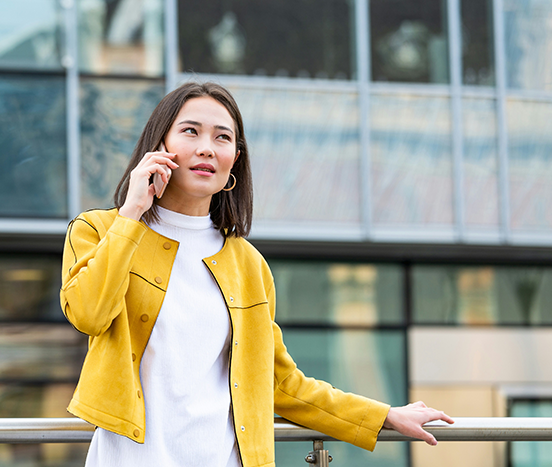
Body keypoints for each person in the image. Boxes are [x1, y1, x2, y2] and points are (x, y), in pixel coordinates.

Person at [60, 82, 454, 467]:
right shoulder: (98, 229)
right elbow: (88, 314)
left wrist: (383, 416)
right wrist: (131, 213)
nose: (205, 148)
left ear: (235, 159)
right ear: (158, 146)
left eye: (222, 137)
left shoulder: (248, 264)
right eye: (190, 131)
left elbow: (280, 383)